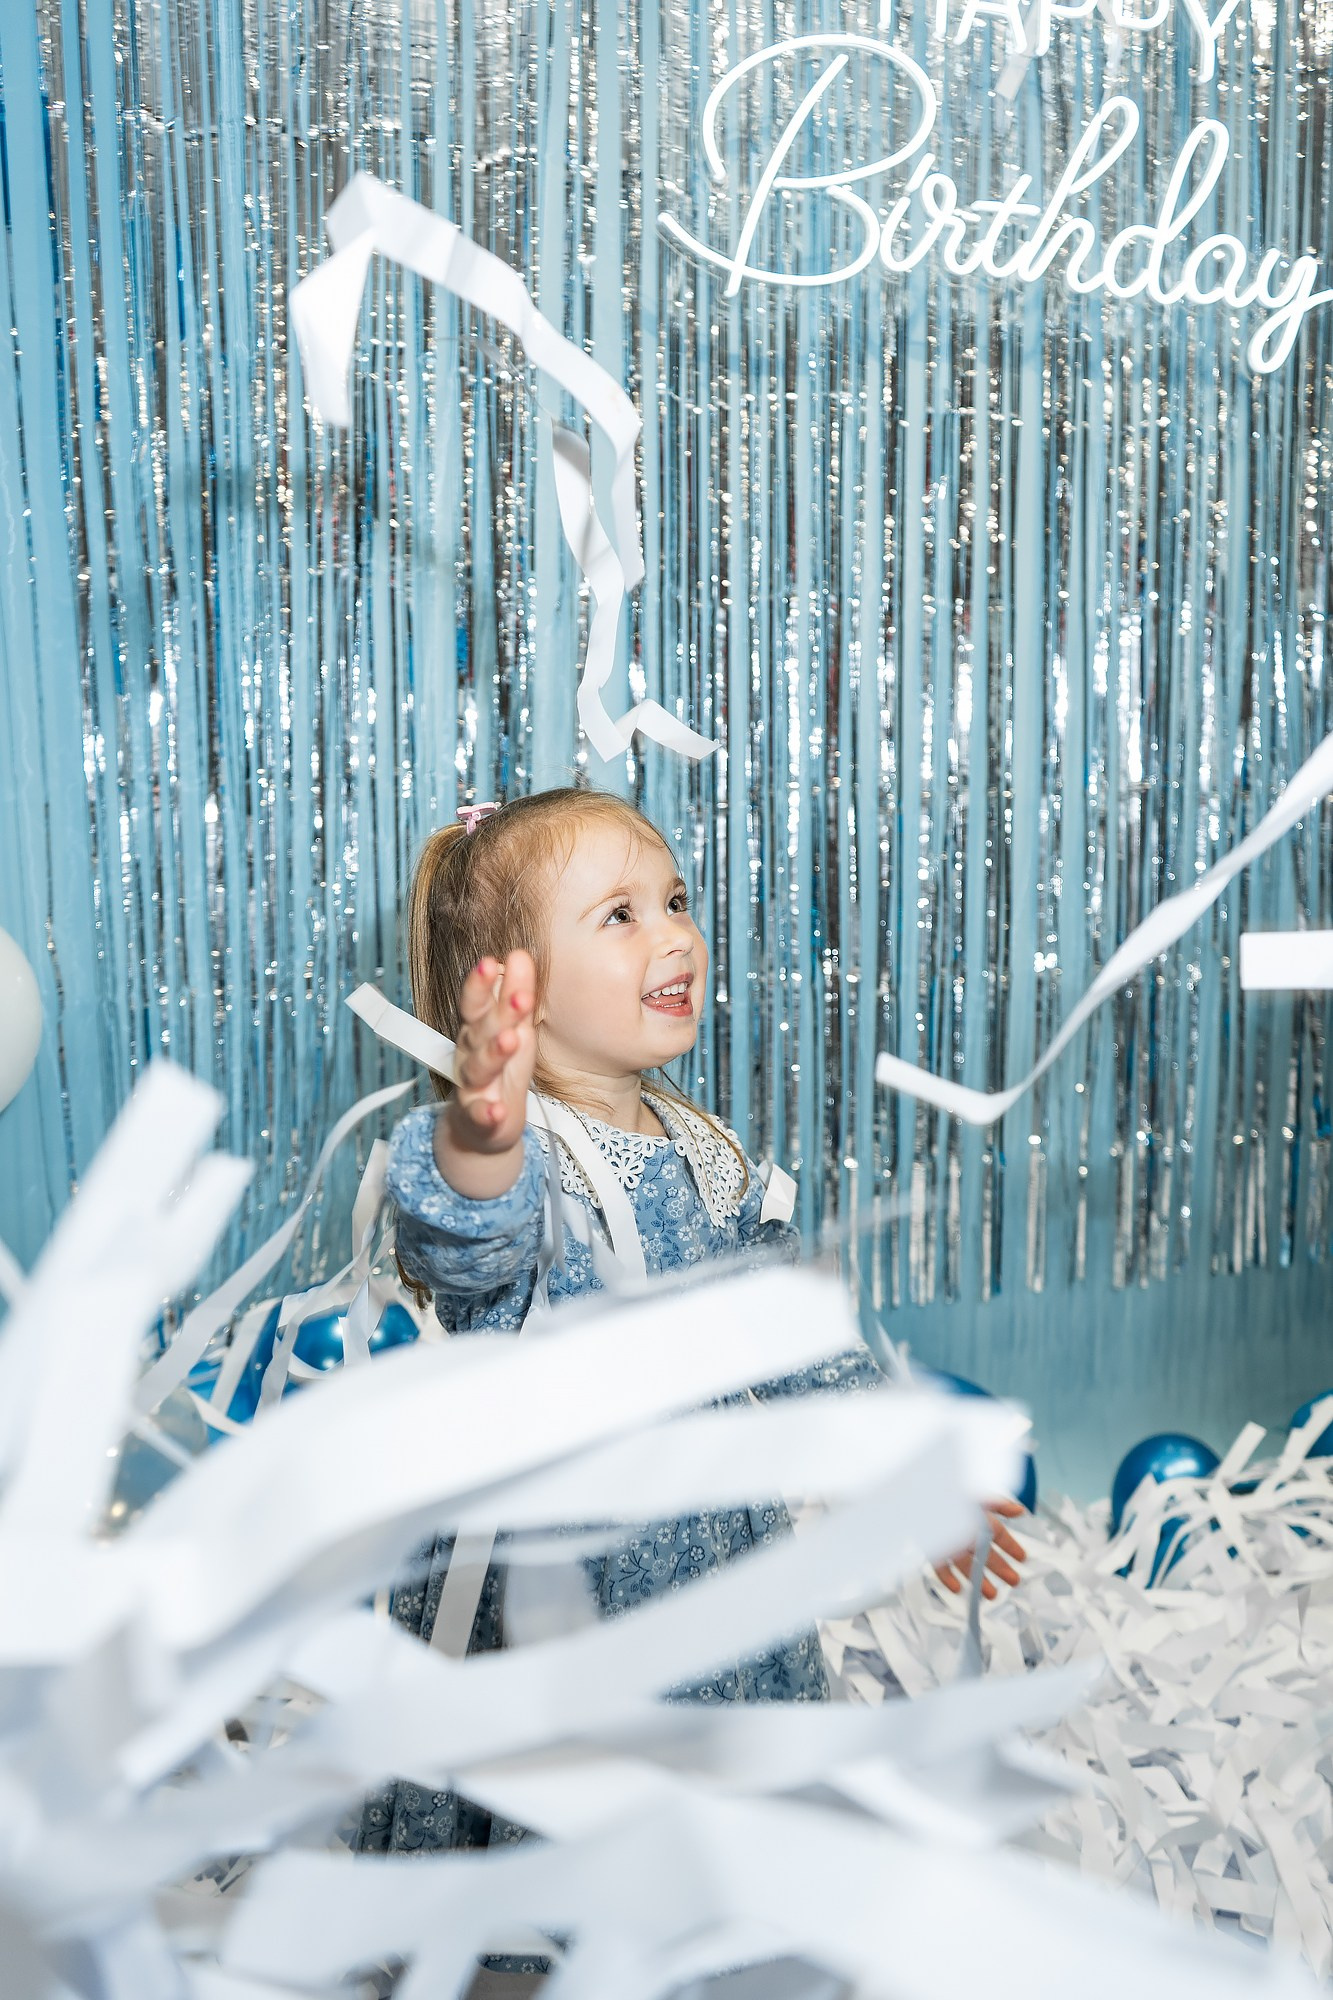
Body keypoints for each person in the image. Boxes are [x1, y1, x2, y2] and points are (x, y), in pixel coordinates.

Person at [359, 787, 1023, 1862]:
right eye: (618, 915)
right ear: (513, 984)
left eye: (673, 898)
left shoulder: (702, 1148)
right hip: (574, 1571)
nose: (674, 932)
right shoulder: (530, 1158)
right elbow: (460, 1244)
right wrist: (481, 1120)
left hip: (710, 1547)